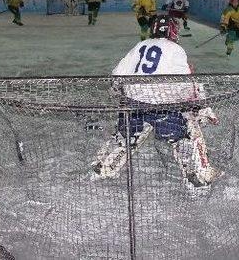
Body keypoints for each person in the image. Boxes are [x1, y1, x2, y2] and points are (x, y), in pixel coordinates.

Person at [93, 15, 220, 187]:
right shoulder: (175, 49)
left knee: (126, 137)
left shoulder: (140, 44)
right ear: (172, 31)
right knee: (186, 135)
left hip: (134, 104)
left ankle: (104, 167)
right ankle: (198, 174)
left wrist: (123, 97)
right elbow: (186, 85)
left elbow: (116, 75)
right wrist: (200, 108)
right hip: (164, 108)